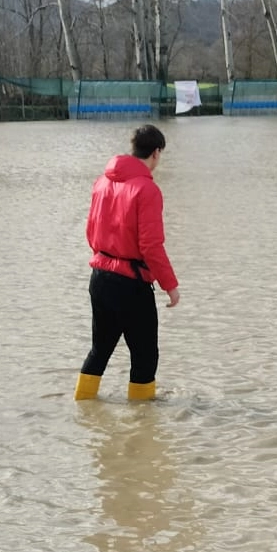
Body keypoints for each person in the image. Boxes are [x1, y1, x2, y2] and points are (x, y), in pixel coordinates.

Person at [74, 124, 180, 401]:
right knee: (145, 354)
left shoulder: (102, 182)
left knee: (100, 349)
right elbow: (151, 246)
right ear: (156, 153)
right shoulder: (147, 190)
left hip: (99, 276)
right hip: (130, 283)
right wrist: (170, 286)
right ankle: (142, 423)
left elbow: (91, 230)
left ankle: (83, 404)